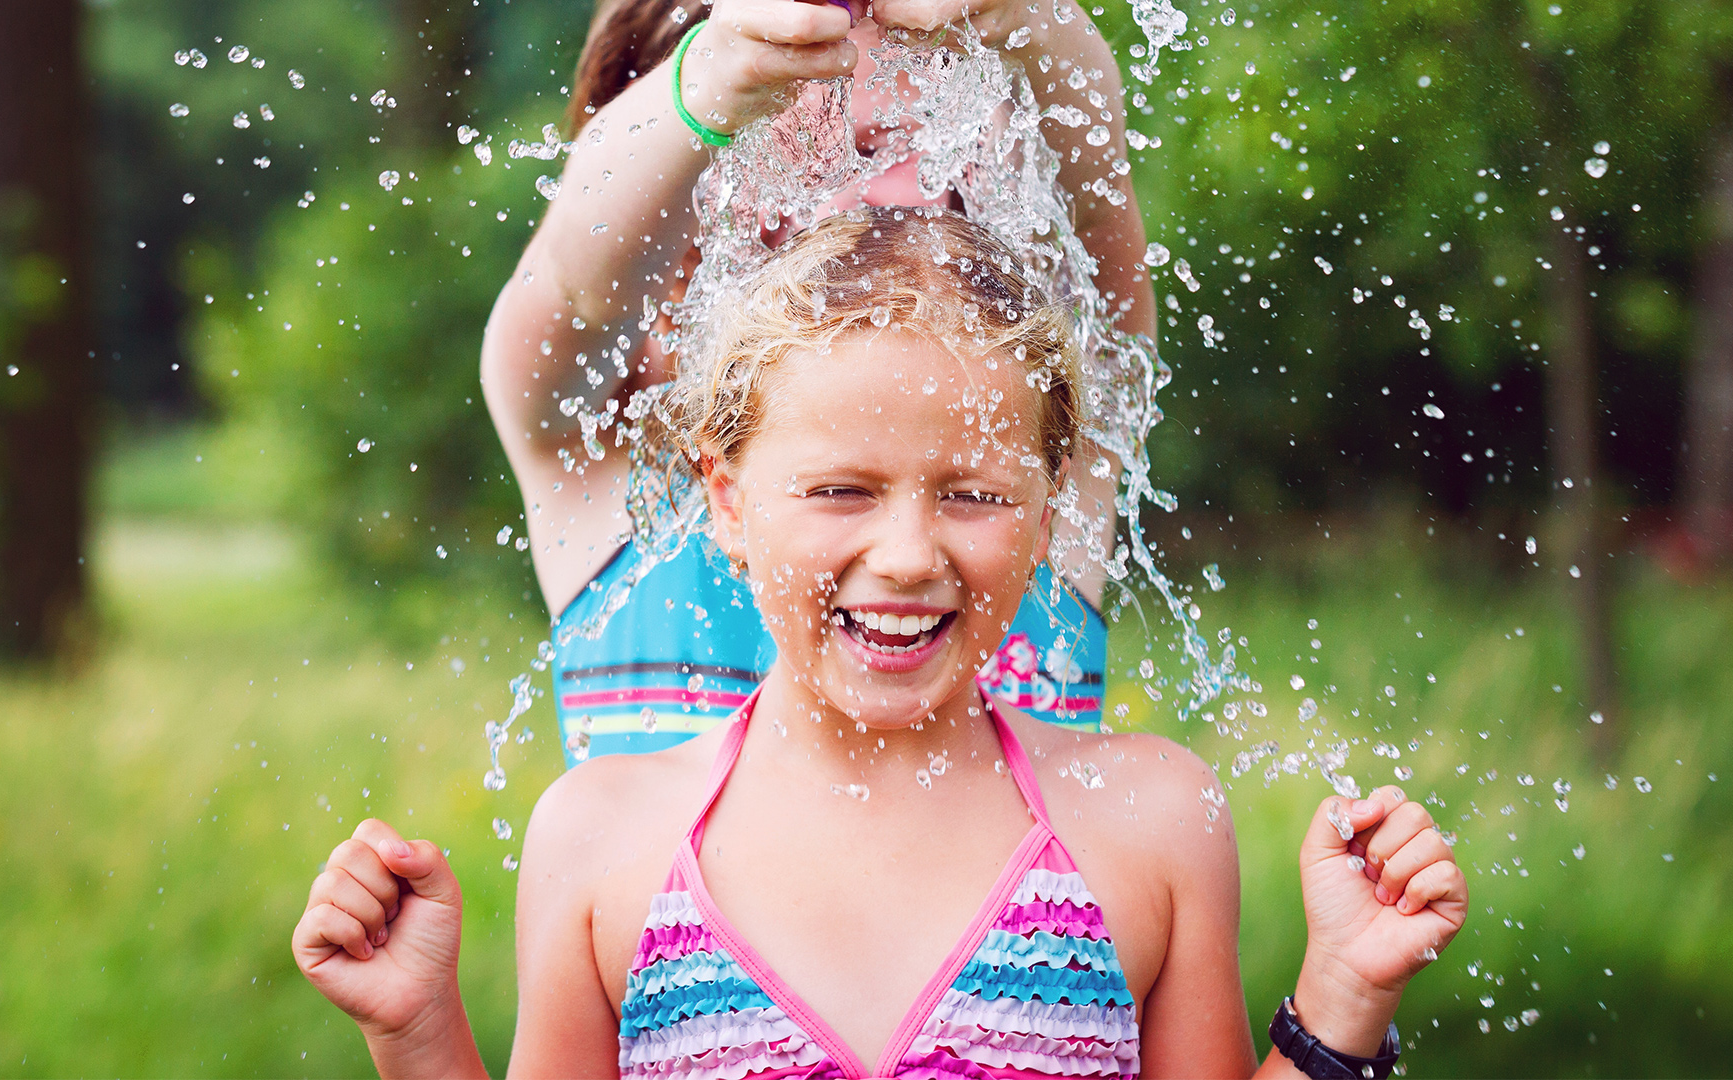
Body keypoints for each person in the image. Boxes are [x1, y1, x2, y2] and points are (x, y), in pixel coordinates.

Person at [295, 208, 1467, 1076]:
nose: (908, 555)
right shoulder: (605, 839)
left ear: (1055, 504)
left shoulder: (1152, 818)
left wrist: (1340, 999)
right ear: (726, 498)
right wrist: (418, 1033)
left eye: (974, 495)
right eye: (842, 491)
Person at [479, 0, 1154, 758]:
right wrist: (708, 81)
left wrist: (1035, 23)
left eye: (922, 141)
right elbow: (580, 285)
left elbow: (1092, 225)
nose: (860, 196)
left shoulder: (1038, 435)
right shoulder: (611, 447)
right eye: (778, 114)